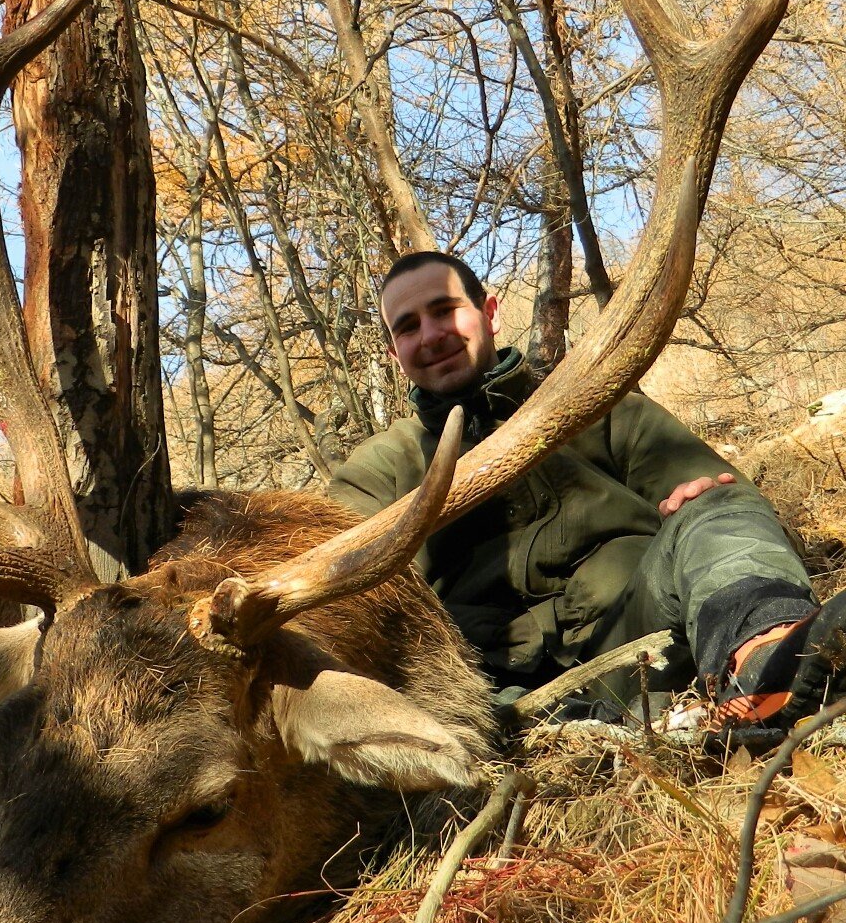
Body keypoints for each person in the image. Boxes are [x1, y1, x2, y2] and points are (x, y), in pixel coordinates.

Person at [328, 250, 846, 727]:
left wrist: (697, 504)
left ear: (489, 313)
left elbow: (737, 508)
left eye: (444, 311)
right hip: (501, 701)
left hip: (649, 645)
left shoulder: (597, 403)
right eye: (409, 326)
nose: (430, 335)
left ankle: (772, 661)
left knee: (718, 501)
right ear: (396, 353)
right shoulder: (376, 474)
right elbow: (339, 593)